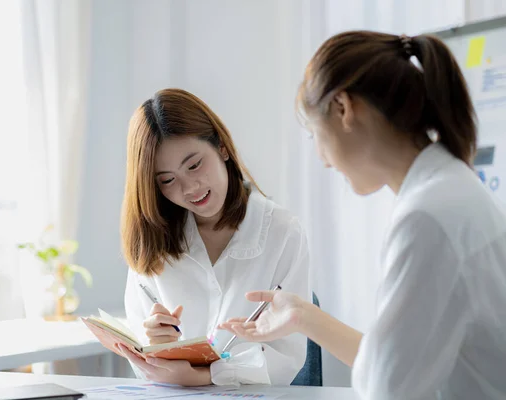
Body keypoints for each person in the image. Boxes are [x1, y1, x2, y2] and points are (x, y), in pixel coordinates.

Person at [220, 31, 506, 399]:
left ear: (343, 108)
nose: (322, 160)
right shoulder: (450, 189)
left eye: (314, 136)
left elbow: (387, 386)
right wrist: (301, 316)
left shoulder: (427, 218)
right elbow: (397, 358)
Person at [119, 88, 311, 387]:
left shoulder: (282, 232)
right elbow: (140, 353)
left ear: (222, 147)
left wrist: (207, 375)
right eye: (168, 180)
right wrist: (156, 340)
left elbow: (287, 356)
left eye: (194, 165)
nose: (189, 188)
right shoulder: (153, 239)